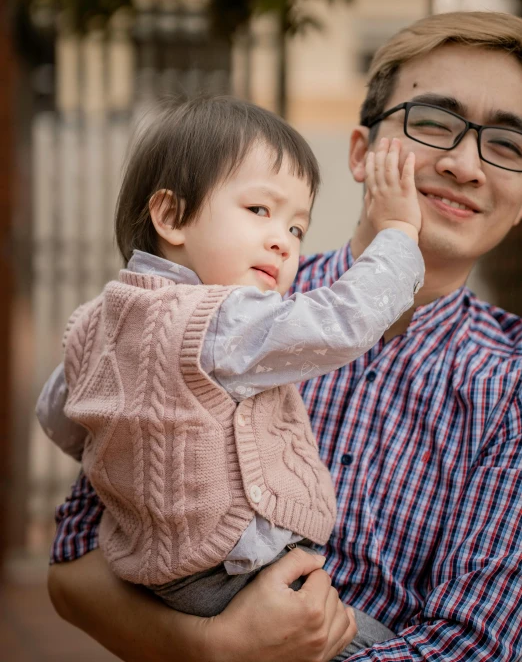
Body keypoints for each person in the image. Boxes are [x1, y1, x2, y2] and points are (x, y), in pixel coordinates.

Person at [45, 11, 522, 662]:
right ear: (360, 152)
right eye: (434, 123)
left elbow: (478, 646)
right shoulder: (217, 308)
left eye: (507, 145)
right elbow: (73, 559)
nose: (466, 163)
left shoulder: (511, 386)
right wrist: (214, 645)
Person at [37, 96, 423, 643]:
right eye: (260, 211)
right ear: (170, 216)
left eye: (296, 229)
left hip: (155, 570)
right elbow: (342, 322)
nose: (282, 242)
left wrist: (135, 450)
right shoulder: (221, 318)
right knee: (369, 643)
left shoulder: (96, 319)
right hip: (232, 570)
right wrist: (402, 232)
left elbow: (58, 416)